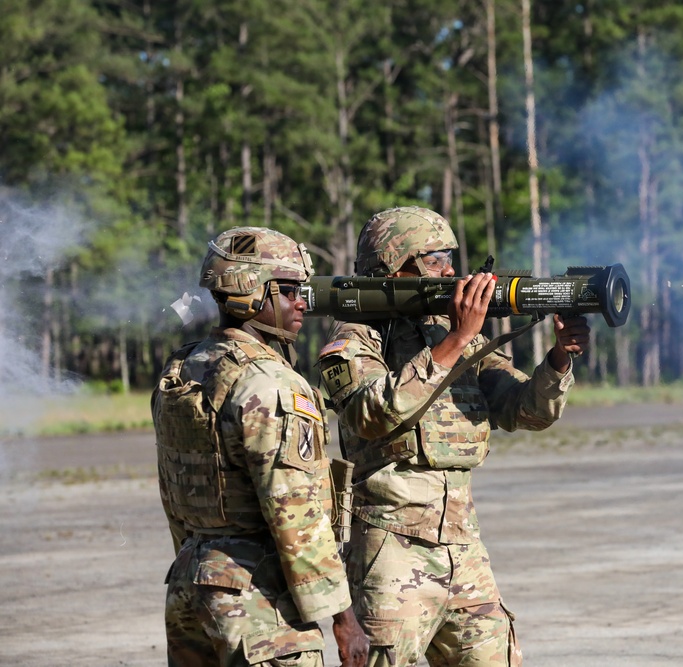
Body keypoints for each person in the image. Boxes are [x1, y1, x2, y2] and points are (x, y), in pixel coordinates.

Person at [316, 206, 591, 666]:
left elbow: (526, 409)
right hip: (389, 547)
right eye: (435, 259)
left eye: (450, 257)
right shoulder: (355, 339)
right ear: (392, 265)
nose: (450, 271)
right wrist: (457, 341)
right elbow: (371, 414)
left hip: (464, 547)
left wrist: (560, 358)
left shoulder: (447, 331)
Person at [152, 227, 369, 667]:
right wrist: (343, 618)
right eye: (289, 290)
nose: (303, 302)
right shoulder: (269, 384)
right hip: (258, 599)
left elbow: (175, 495)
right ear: (250, 292)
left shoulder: (183, 369)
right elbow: (295, 513)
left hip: (191, 583)